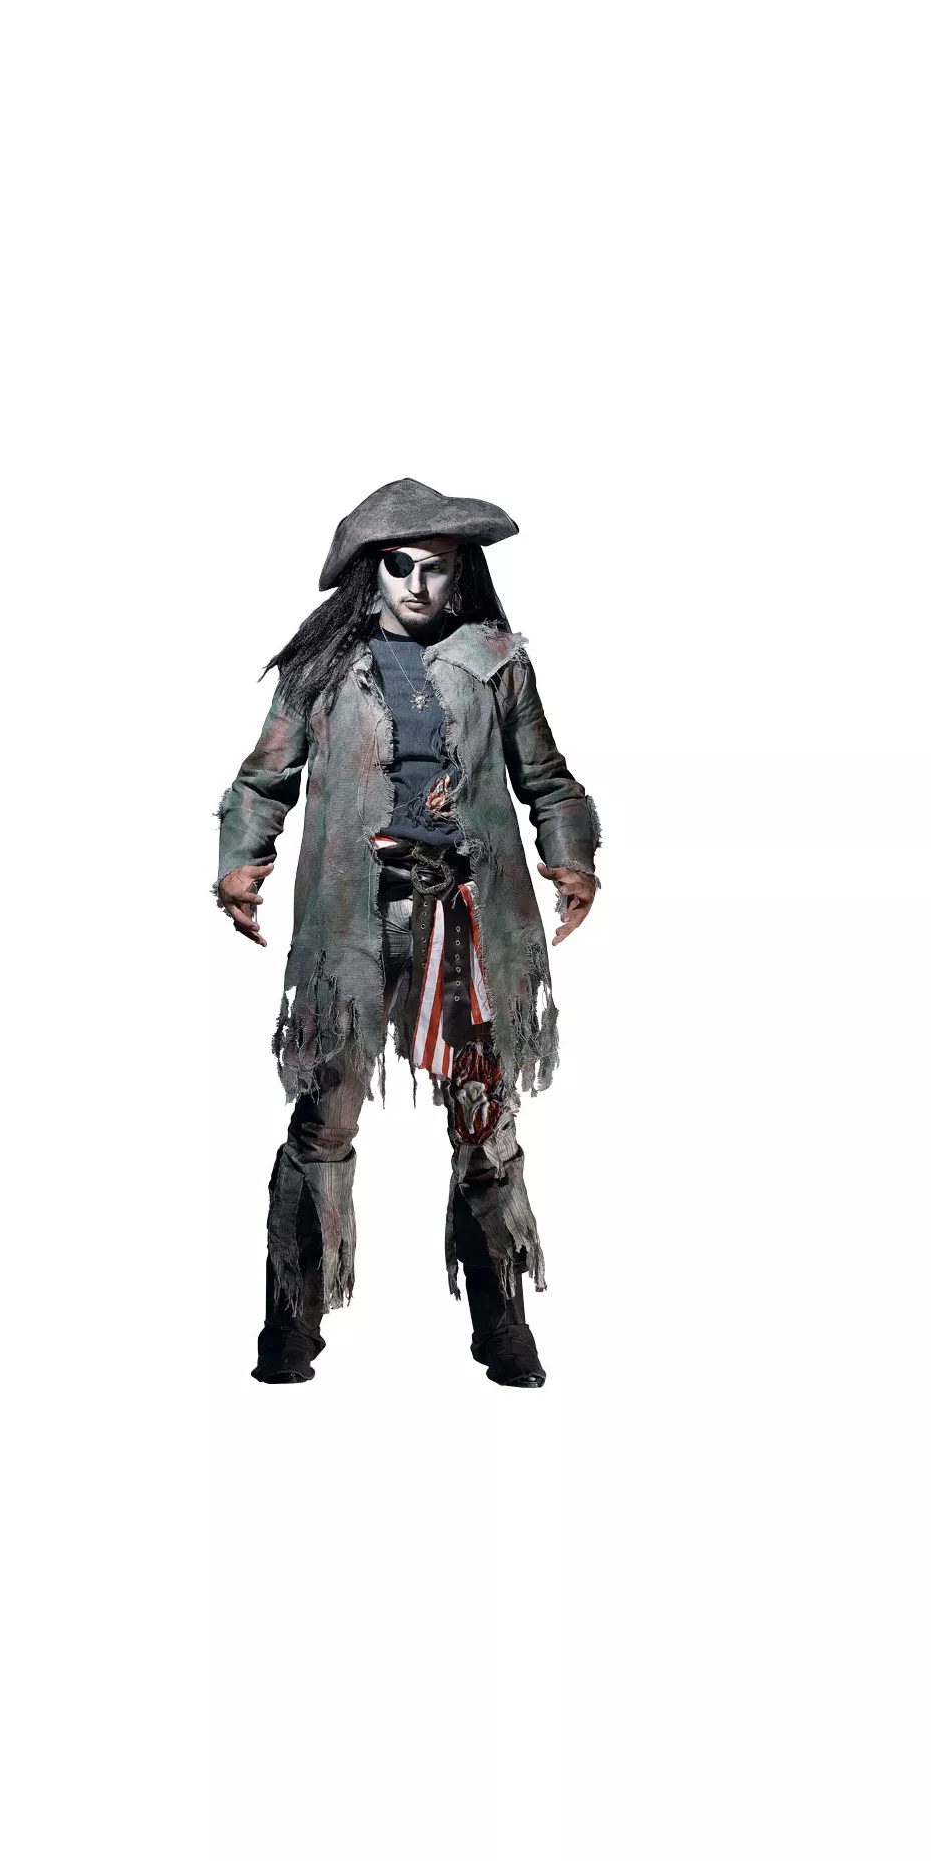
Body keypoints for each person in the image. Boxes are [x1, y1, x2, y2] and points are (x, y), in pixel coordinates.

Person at [214, 479, 600, 1386]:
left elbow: (548, 778)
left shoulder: (496, 661)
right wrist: (241, 861)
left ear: (461, 573)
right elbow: (263, 779)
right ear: (370, 571)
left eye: (437, 568)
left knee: (485, 1122)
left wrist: (571, 857)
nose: (418, 585)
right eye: (400, 567)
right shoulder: (322, 668)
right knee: (323, 1118)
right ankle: (291, 1326)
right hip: (351, 926)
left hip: (464, 924)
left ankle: (501, 1325)